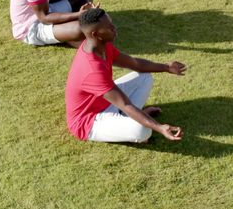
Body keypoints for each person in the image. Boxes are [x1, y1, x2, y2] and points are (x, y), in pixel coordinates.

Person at [65, 8, 186, 143]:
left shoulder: (102, 46)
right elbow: (125, 104)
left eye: (111, 23)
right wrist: (160, 127)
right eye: (109, 27)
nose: (114, 28)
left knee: (144, 76)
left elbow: (135, 64)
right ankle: (132, 122)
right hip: (89, 121)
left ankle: (129, 119)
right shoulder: (92, 70)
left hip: (106, 102)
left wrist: (166, 67)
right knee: (143, 131)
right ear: (96, 34)